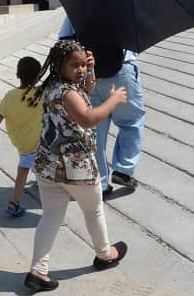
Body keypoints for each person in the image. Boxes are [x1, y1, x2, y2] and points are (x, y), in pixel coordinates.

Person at [24, 39, 129, 293]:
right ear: (60, 65)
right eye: (76, 66)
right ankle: (105, 254)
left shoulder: (53, 86)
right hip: (76, 166)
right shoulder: (68, 92)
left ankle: (38, 271)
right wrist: (113, 100)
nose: (81, 70)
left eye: (83, 65)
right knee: (93, 210)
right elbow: (88, 118)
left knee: (50, 216)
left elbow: (86, 92)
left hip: (49, 165)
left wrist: (90, 71)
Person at [58, 17, 146, 197]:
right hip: (123, 70)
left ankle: (102, 182)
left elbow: (63, 43)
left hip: (90, 75)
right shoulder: (128, 6)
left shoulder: (77, 8)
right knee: (131, 122)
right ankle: (124, 169)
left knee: (95, 131)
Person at [0, 56, 43, 217]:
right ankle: (19, 200)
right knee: (34, 167)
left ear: (17, 75)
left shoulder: (10, 95)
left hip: (21, 142)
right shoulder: (40, 94)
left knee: (25, 168)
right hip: (38, 142)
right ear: (38, 76)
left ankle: (15, 202)